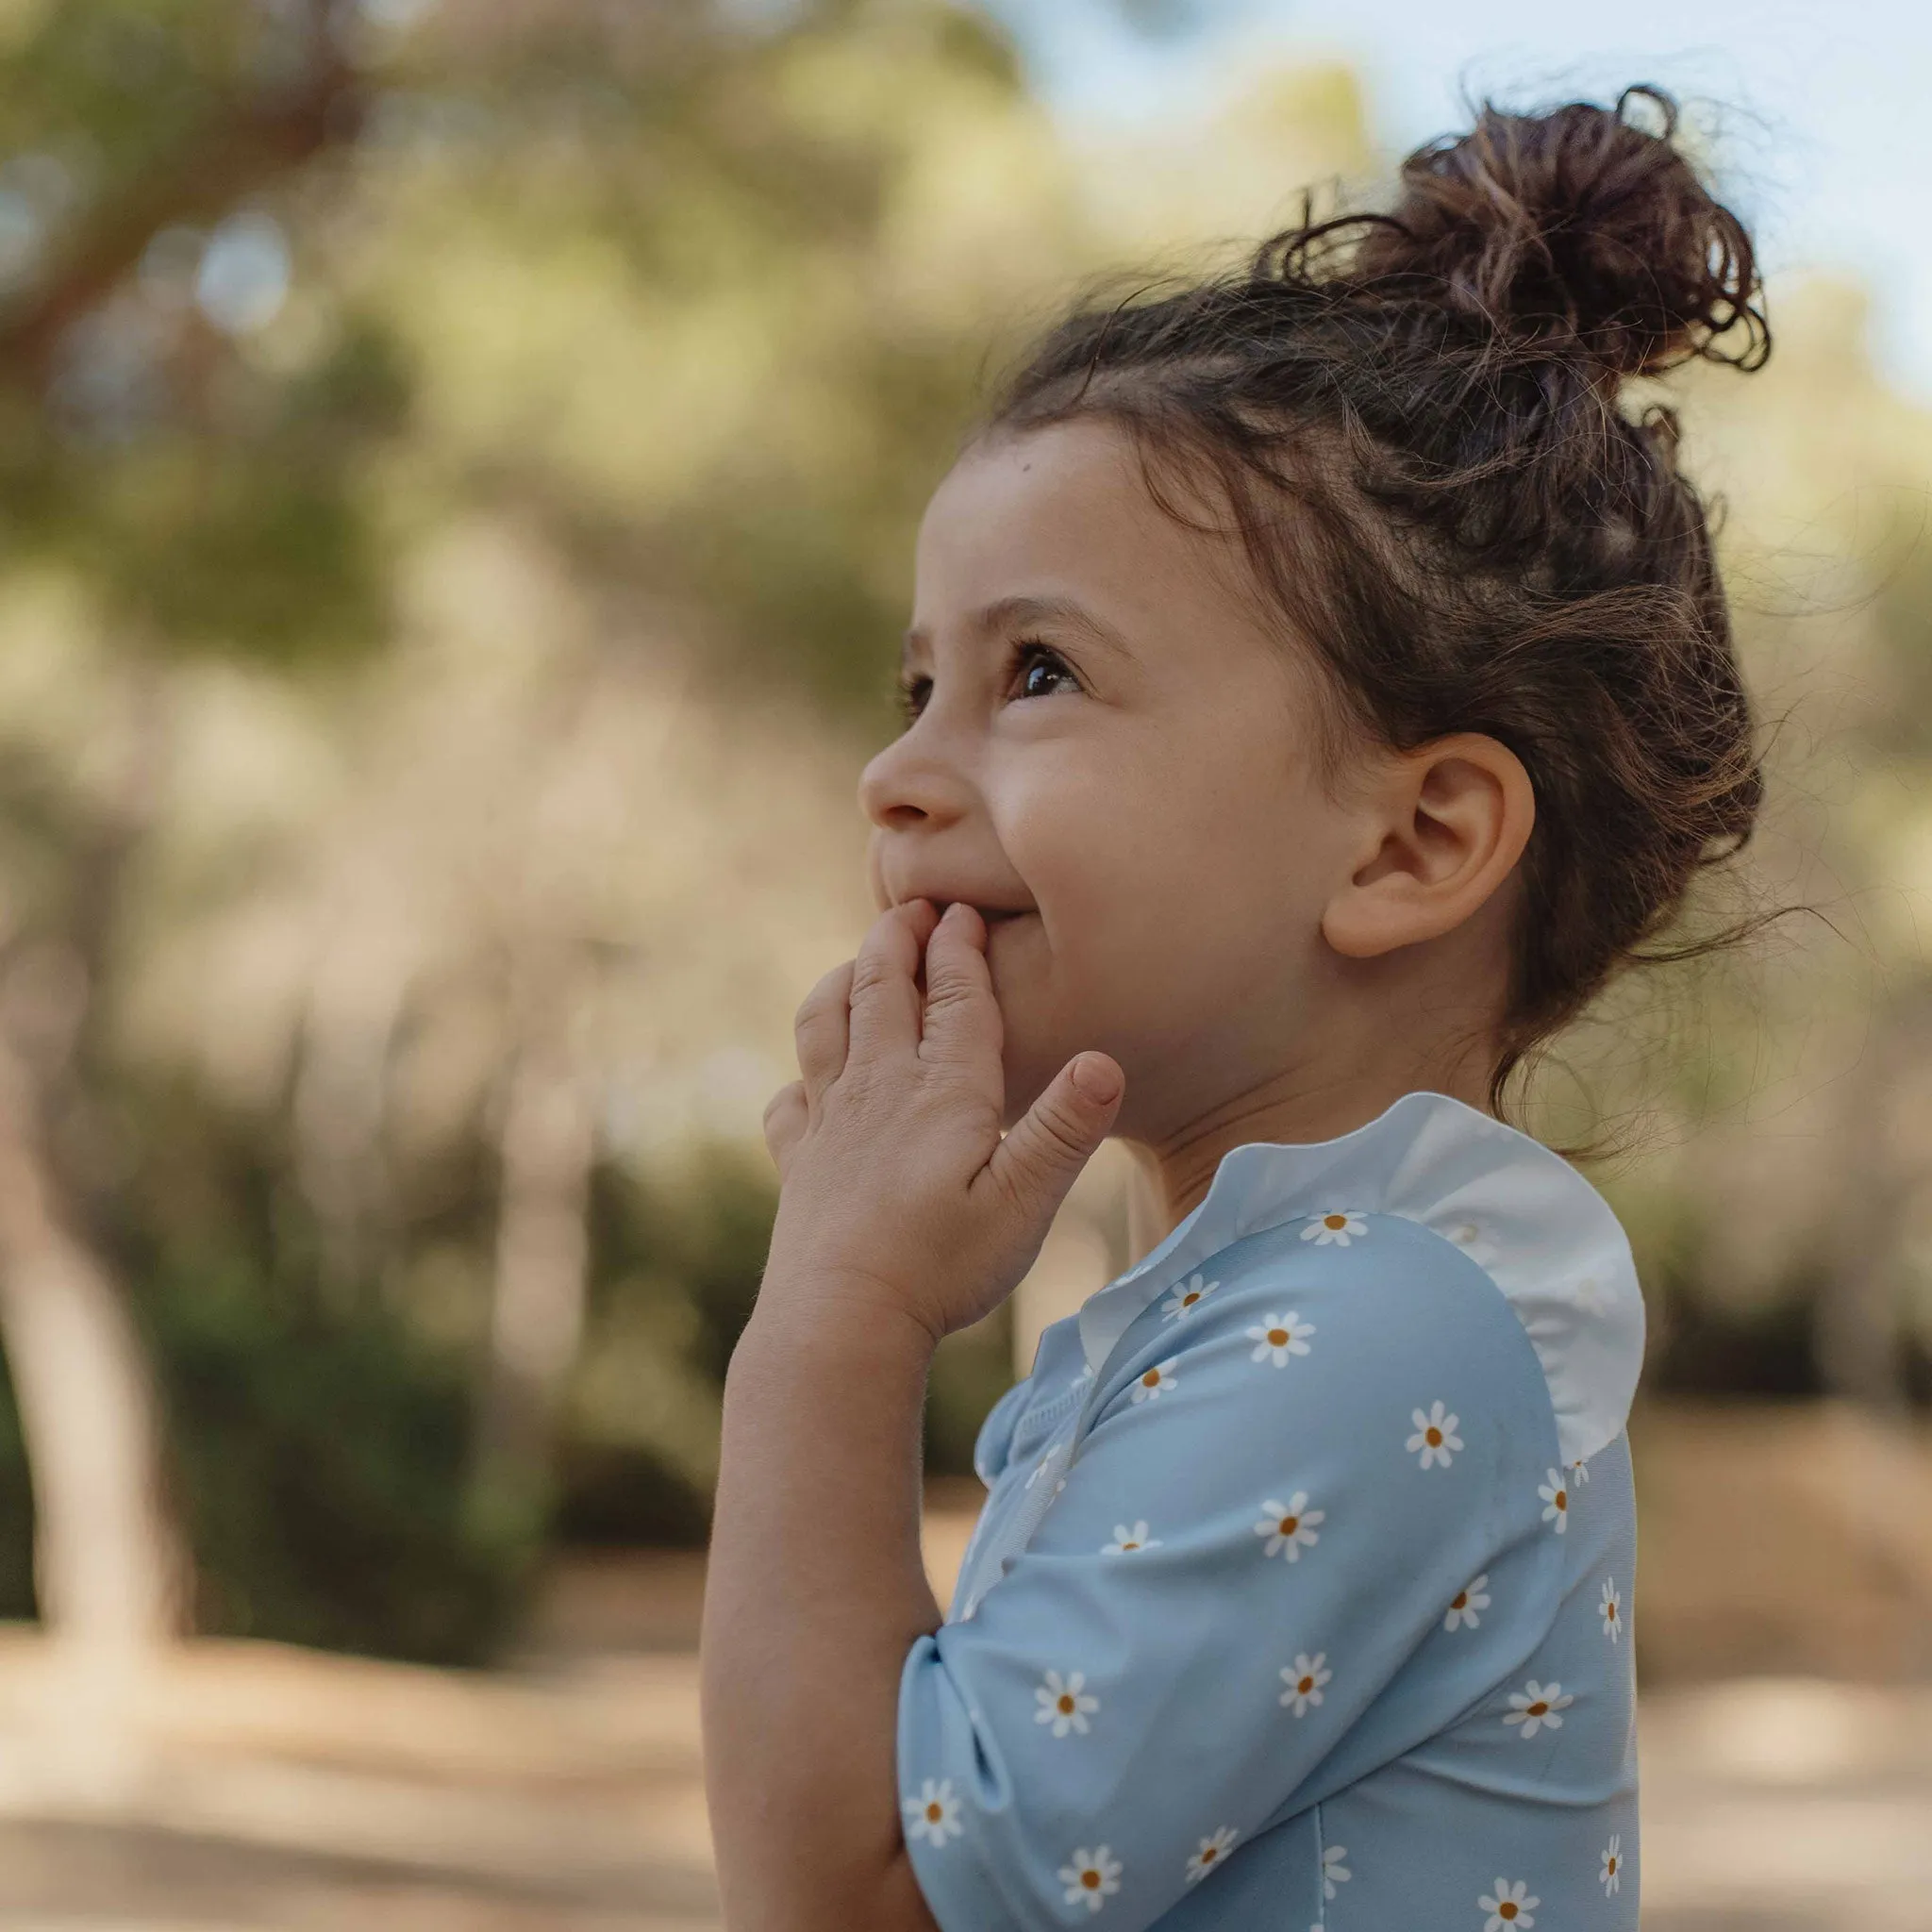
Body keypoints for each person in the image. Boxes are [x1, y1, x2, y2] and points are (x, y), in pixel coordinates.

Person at [699, 84, 1768, 1932]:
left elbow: (856, 1892)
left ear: (1415, 839)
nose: (894, 770)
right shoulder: (1277, 1306)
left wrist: (833, 1310)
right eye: (915, 679)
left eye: (1034, 672)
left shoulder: (1379, 1326)